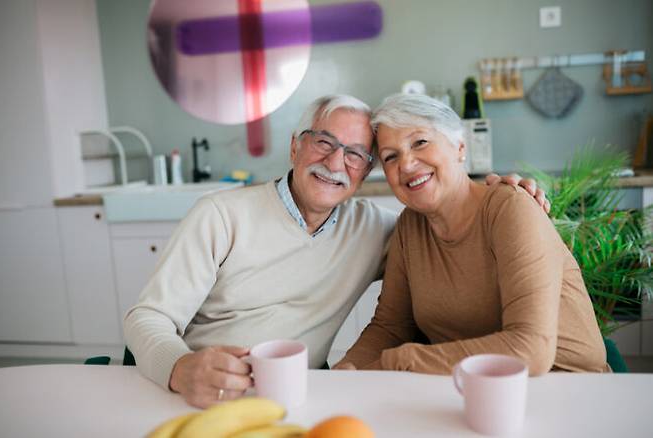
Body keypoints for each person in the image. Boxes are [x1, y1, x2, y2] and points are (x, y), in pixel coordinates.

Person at [124, 94, 548, 408]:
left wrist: (491, 195)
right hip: (201, 394)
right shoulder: (220, 215)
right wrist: (179, 369)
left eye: (356, 155)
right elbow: (148, 317)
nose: (334, 162)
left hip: (297, 399)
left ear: (366, 173)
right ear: (295, 147)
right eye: (323, 142)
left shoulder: (381, 230)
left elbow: (447, 225)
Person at [334, 93, 608, 375]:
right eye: (391, 157)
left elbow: (531, 350)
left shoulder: (510, 208)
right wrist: (348, 368)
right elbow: (390, 327)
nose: (406, 164)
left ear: (460, 147)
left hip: (566, 386)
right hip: (469, 386)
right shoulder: (410, 227)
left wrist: (400, 361)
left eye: (420, 142)